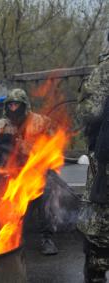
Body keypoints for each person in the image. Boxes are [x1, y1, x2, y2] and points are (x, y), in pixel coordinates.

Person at [0, 88, 59, 255]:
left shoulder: (41, 122)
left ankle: (47, 238)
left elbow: (52, 149)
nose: (13, 108)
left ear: (24, 105)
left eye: (16, 104)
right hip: (9, 169)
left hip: (35, 170)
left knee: (46, 191)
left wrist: (29, 150)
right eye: (10, 104)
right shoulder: (1, 126)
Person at [76, 31, 109, 283]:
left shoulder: (104, 71)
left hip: (106, 163)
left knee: (98, 223)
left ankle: (97, 272)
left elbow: (89, 113)